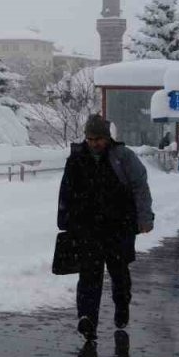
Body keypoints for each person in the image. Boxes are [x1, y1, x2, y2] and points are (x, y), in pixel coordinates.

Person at [58, 114, 155, 340]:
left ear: (107, 137)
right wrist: (65, 221)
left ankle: (122, 305)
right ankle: (87, 318)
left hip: (119, 227)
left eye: (98, 139)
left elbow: (140, 187)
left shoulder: (123, 157)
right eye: (90, 139)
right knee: (89, 275)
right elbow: (66, 192)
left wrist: (145, 218)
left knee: (118, 273)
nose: (94, 143)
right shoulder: (77, 158)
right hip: (88, 229)